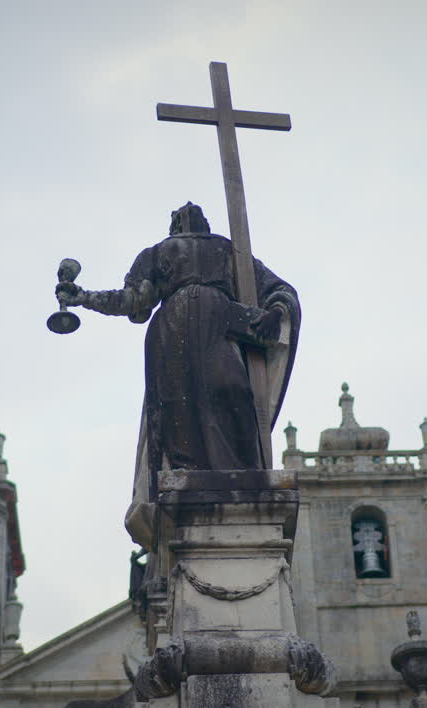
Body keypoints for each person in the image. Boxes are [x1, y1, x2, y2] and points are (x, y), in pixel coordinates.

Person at [56, 202, 300, 545]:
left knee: (232, 390)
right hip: (172, 333)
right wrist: (84, 297)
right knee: (177, 407)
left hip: (220, 325)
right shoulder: (157, 254)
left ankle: (244, 472)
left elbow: (278, 289)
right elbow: (134, 301)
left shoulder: (228, 250)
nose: (189, 218)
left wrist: (276, 310)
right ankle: (188, 473)